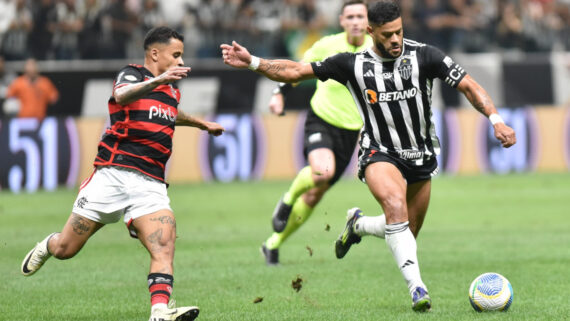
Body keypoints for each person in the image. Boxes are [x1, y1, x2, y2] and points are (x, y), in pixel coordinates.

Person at [221, 0, 516, 312]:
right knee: (394, 207)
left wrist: (496, 120)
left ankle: (358, 225)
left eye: (399, 32)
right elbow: (295, 70)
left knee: (404, 232)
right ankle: (418, 289)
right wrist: (253, 61)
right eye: (387, 35)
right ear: (372, 32)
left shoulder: (425, 55)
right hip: (379, 152)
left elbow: (468, 86)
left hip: (421, 154)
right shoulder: (351, 64)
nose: (395, 40)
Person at [21, 26, 225, 321]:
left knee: (164, 244)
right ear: (155, 53)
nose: (180, 62)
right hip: (112, 175)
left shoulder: (170, 90)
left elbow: (171, 113)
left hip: (151, 183)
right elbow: (122, 95)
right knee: (67, 249)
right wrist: (158, 79)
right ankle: (47, 245)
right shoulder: (132, 75)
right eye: (176, 55)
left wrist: (201, 124)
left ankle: (159, 313)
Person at [261, 0, 373, 266]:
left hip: (350, 133)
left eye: (361, 16)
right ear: (342, 21)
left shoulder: (375, 49)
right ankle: (287, 201)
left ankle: (272, 244)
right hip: (321, 120)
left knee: (315, 192)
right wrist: (279, 95)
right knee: (323, 171)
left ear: (368, 22)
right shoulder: (327, 45)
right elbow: (297, 71)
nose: (356, 21)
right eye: (351, 16)